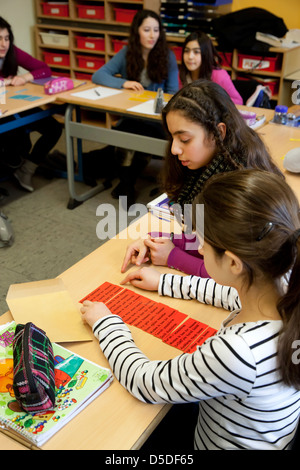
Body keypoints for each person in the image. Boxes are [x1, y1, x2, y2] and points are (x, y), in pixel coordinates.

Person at [81, 169, 300, 450]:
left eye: (203, 245)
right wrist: (165, 281)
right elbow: (231, 294)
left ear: (233, 264)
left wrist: (106, 324)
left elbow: (146, 382)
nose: (198, 247)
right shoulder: (284, 282)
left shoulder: (238, 352)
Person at [121, 79, 282, 278]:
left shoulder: (240, 188)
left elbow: (238, 273)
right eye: (172, 138)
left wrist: (172, 257)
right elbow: (209, 243)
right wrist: (159, 239)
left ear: (219, 133)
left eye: (185, 139)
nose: (174, 149)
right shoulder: (212, 164)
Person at [92, 9, 179, 206]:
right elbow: (98, 75)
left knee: (139, 134)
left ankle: (126, 184)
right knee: (127, 133)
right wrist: (123, 83)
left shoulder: (168, 56)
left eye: (156, 30)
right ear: (137, 31)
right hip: (131, 116)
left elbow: (173, 92)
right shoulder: (126, 53)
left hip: (155, 121)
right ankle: (127, 184)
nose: (152, 35)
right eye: (147, 29)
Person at [0, 17, 62, 192]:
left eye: (6, 38)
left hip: (16, 106)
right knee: (16, 141)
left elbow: (44, 69)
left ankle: (27, 169)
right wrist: (5, 81)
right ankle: (13, 166)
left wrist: (25, 77)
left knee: (54, 129)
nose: (3, 44)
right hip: (2, 112)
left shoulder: (12, 52)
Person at [179, 31, 243, 105]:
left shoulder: (219, 75)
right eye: (186, 51)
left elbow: (238, 102)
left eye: (196, 52)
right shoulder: (182, 73)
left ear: (205, 54)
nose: (190, 56)